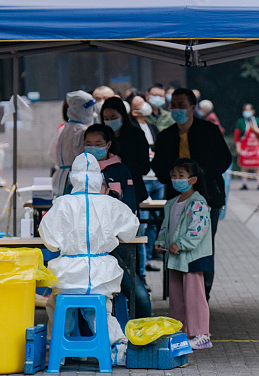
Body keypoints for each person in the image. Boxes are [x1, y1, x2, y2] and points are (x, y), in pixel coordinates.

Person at [39, 152, 138, 366]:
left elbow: (49, 240)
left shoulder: (62, 203)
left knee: (56, 305)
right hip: (102, 273)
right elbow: (131, 230)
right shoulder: (110, 204)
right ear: (99, 179)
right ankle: (116, 349)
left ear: (73, 178)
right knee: (101, 310)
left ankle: (57, 351)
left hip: (68, 274)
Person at [152, 88, 232, 299]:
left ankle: (201, 294)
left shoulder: (209, 131)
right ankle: (178, 293)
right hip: (175, 199)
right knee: (175, 244)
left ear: (192, 108)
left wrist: (202, 175)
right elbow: (158, 167)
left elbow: (224, 160)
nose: (176, 109)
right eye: (174, 105)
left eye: (181, 105)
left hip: (207, 198)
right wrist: (172, 177)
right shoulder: (166, 136)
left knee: (203, 246)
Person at [84, 124, 152, 318]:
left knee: (134, 289)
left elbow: (129, 208)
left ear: (109, 144)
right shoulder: (79, 170)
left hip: (117, 242)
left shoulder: (120, 169)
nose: (92, 148)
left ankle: (146, 329)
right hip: (87, 245)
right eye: (88, 144)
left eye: (98, 143)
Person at [155, 158, 213, 350]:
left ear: (193, 179)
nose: (176, 179)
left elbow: (199, 229)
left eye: (181, 176)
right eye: (174, 175)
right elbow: (165, 227)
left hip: (192, 258)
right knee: (177, 297)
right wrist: (161, 242)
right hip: (174, 258)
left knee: (195, 297)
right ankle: (181, 332)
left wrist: (180, 244)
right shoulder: (171, 203)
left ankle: (202, 334)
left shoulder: (198, 202)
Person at [99, 96, 150, 210]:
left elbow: (144, 167)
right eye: (106, 118)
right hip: (104, 191)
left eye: (113, 117)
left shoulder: (136, 135)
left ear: (122, 116)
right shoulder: (101, 138)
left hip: (130, 190)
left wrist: (121, 164)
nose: (110, 121)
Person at [131, 95, 164, 271]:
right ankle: (142, 260)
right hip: (144, 180)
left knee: (156, 221)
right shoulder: (134, 129)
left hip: (157, 178)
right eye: (139, 104)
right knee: (142, 224)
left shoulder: (152, 127)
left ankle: (150, 254)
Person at [49, 91, 94, 197]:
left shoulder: (63, 129)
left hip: (61, 178)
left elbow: (52, 153)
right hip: (76, 180)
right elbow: (83, 157)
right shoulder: (82, 130)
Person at [233, 104, 259, 190]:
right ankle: (244, 184)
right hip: (244, 148)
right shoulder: (240, 121)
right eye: (245, 110)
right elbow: (237, 135)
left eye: (249, 110)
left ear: (253, 111)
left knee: (258, 167)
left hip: (254, 147)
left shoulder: (257, 120)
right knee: (244, 167)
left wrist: (254, 129)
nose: (247, 112)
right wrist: (238, 146)